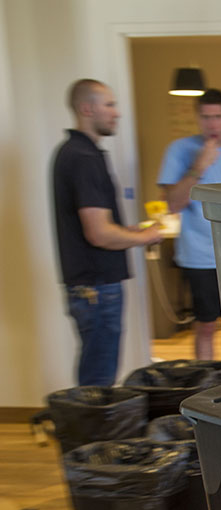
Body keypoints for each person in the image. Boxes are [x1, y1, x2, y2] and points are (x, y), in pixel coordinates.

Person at [52, 79, 164, 387]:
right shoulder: (84, 158)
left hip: (90, 287)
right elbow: (98, 234)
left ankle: (89, 432)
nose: (117, 113)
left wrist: (129, 231)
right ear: (87, 108)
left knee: (95, 374)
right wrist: (145, 238)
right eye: (110, 105)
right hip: (96, 288)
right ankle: (90, 436)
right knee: (98, 383)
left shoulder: (73, 152)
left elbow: (93, 225)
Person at [157, 88, 221, 360]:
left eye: (218, 116)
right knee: (206, 325)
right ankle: (205, 385)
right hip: (199, 255)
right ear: (198, 118)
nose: (213, 124)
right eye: (206, 117)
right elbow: (172, 205)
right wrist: (199, 167)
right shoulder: (179, 150)